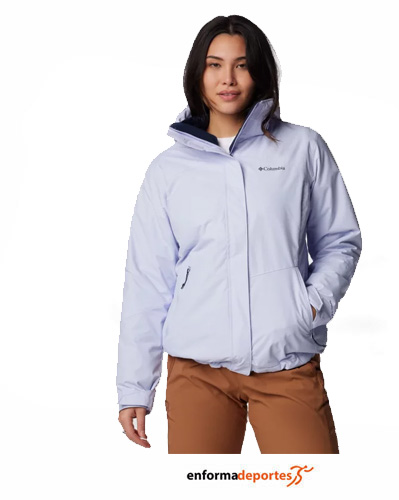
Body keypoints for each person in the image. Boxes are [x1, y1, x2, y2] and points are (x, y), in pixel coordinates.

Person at [116, 15, 362, 454]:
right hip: (197, 371)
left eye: (242, 65)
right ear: (198, 73)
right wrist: (135, 386)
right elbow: (148, 280)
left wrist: (308, 306)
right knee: (202, 486)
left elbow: (339, 240)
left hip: (284, 362)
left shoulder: (302, 148)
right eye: (215, 65)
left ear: (260, 72)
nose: (227, 79)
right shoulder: (168, 171)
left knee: (310, 481)